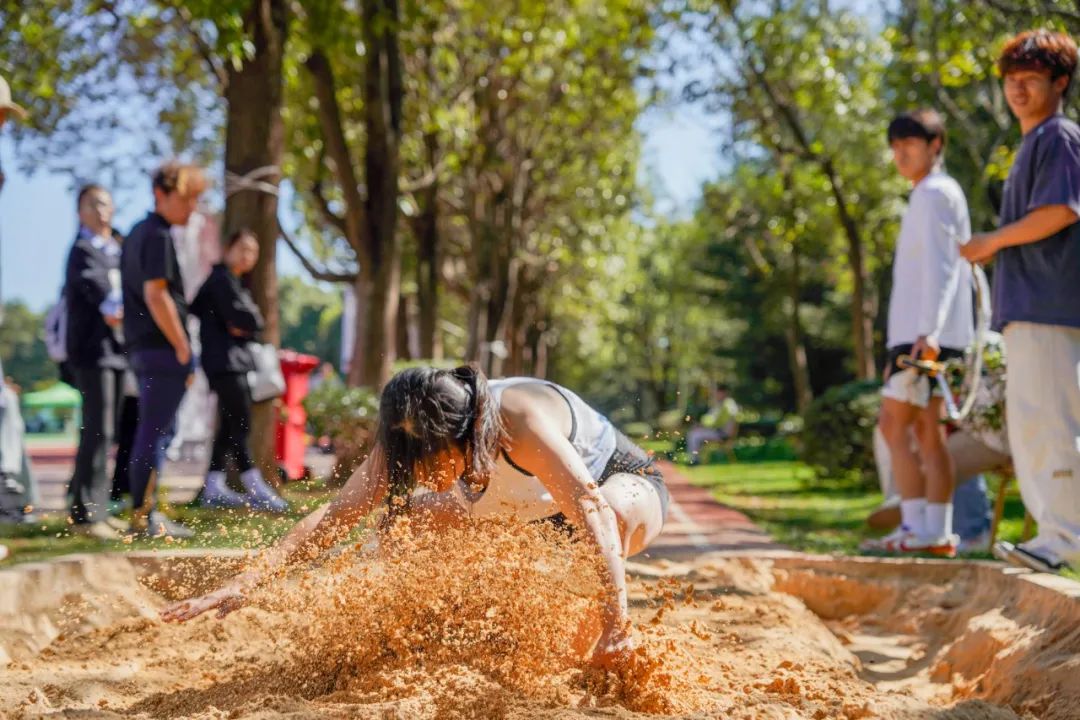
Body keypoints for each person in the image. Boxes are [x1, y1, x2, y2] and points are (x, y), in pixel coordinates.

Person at [161, 366, 671, 668]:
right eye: (408, 464)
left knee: (612, 512)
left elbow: (591, 510)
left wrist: (616, 624)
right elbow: (335, 516)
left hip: (617, 488)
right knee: (403, 522)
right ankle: (439, 628)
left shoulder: (521, 419)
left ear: (467, 432)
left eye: (430, 463)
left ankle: (599, 636)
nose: (420, 475)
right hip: (524, 515)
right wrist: (247, 581)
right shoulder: (408, 435)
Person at [961, 29, 1080, 573]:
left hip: (1050, 305)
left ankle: (1062, 540)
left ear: (1060, 82)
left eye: (1030, 78)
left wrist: (992, 240)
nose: (1017, 89)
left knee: (1051, 420)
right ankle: (1053, 537)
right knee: (1034, 421)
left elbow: (1061, 210)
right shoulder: (1034, 144)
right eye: (1011, 79)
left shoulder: (1059, 137)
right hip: (1029, 308)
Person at [867, 108, 975, 557]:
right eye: (895, 146)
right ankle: (935, 533)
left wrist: (928, 332)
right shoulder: (932, 194)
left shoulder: (933, 193)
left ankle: (917, 526)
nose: (900, 154)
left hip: (923, 336)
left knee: (893, 427)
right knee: (928, 434)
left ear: (935, 145)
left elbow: (945, 267)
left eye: (909, 144)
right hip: (929, 332)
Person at [121, 161, 207, 538]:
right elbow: (156, 295)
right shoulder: (156, 235)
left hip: (145, 349)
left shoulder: (137, 233)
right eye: (186, 198)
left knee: (153, 432)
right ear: (161, 194)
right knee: (155, 433)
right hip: (161, 350)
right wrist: (183, 346)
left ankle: (145, 512)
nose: (192, 208)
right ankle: (145, 517)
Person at [191, 229, 287, 511]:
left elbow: (252, 321)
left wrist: (245, 322)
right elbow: (246, 318)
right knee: (240, 421)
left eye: (254, 251)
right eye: (243, 248)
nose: (248, 256)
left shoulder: (233, 281)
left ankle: (213, 484)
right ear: (228, 248)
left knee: (228, 423)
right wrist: (242, 322)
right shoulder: (221, 280)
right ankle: (254, 484)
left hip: (230, 361)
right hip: (226, 363)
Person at [64, 184, 128, 539]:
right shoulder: (82, 250)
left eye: (106, 202)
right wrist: (117, 310)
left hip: (116, 354)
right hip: (93, 353)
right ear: (81, 212)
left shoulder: (114, 250)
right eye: (93, 204)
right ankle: (86, 515)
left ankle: (97, 507)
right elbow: (101, 296)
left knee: (109, 432)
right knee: (97, 430)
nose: (102, 209)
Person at [686, 385, 739, 464]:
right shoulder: (724, 404)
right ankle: (695, 458)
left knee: (694, 435)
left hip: (722, 434)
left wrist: (702, 425)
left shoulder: (727, 405)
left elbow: (716, 421)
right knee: (695, 432)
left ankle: (694, 460)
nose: (715, 395)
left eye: (717, 393)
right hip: (719, 432)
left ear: (723, 393)